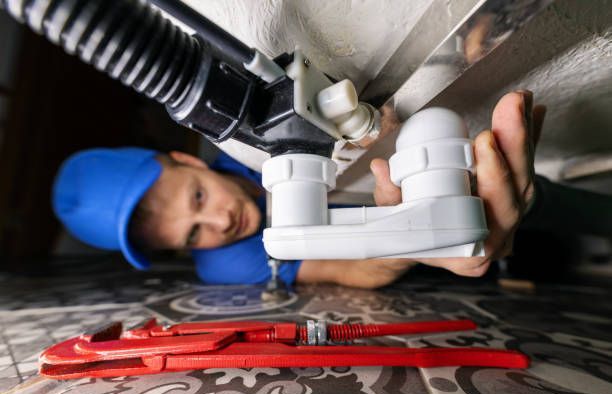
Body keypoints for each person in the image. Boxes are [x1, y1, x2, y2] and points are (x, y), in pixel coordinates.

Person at [53, 90, 546, 288]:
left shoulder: (249, 147)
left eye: (198, 199)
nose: (221, 224)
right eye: (191, 236)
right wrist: (419, 240)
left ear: (185, 157)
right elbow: (360, 270)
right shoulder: (225, 262)